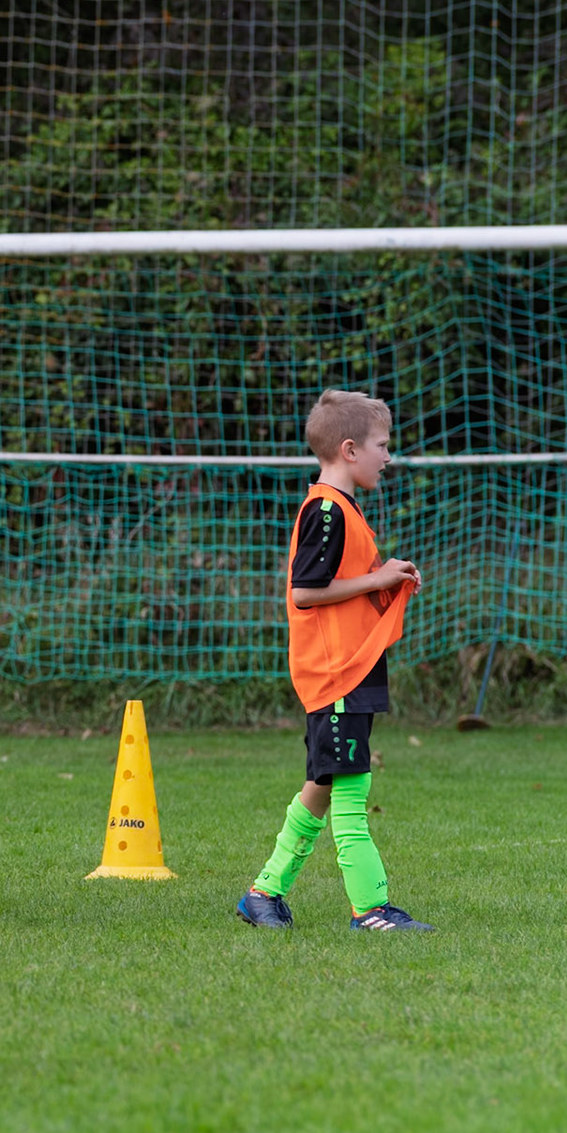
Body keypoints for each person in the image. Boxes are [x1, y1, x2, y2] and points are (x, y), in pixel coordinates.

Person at [237, 389, 434, 932]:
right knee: (351, 791)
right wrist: (376, 578)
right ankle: (370, 909)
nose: (388, 456)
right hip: (337, 674)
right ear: (349, 449)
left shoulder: (342, 508)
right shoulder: (326, 509)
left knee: (323, 785)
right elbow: (305, 591)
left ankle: (263, 894)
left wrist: (384, 577)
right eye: (382, 445)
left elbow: (338, 586)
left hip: (351, 671)